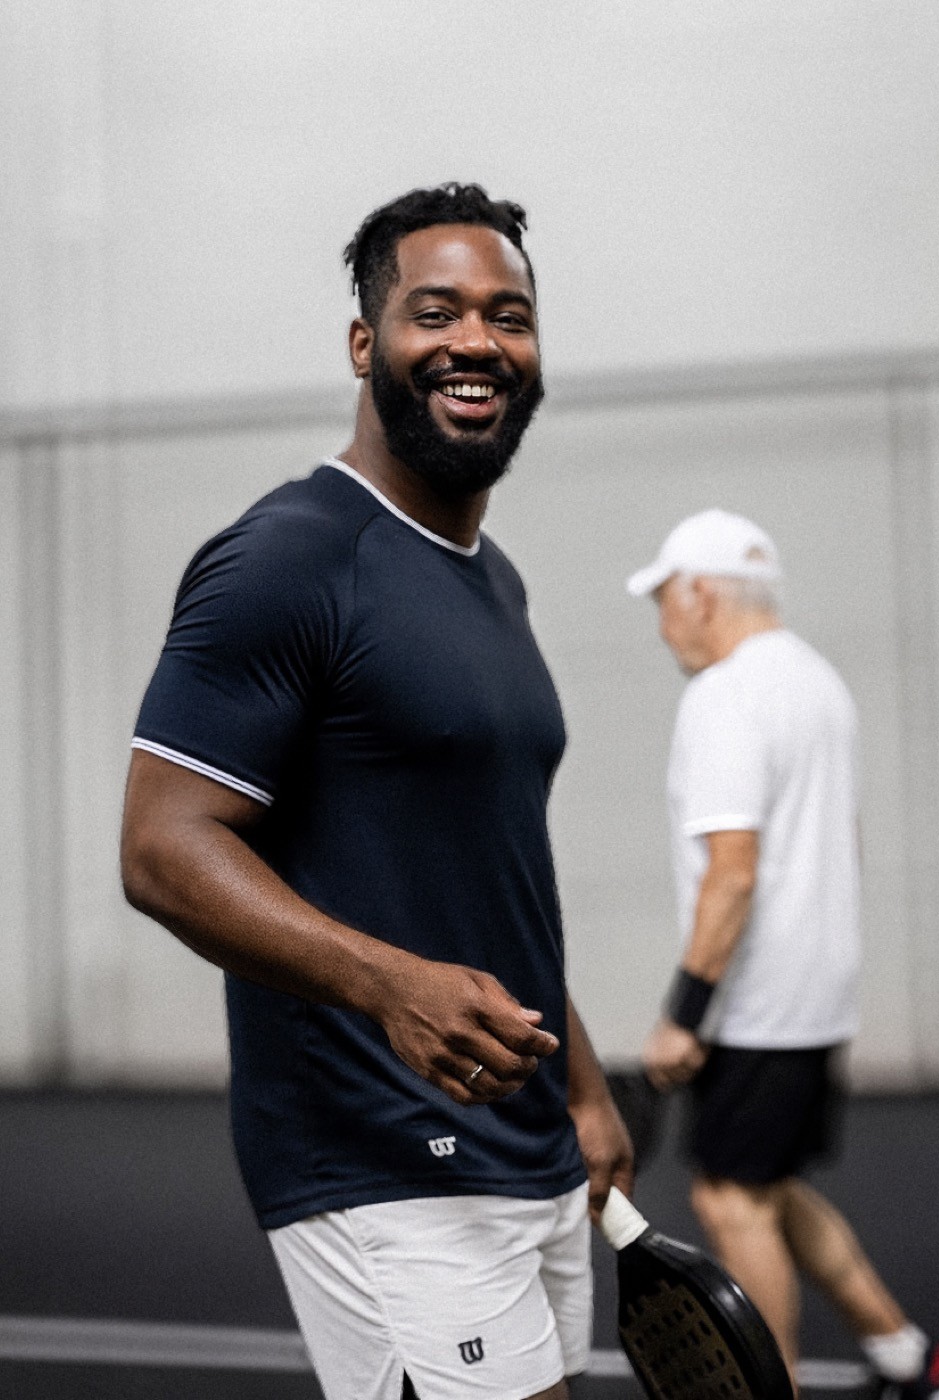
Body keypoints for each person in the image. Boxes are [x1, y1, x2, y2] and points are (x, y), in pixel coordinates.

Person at [120, 183, 632, 1400]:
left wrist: (583, 1080)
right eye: (435, 311)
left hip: (527, 1141)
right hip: (379, 1155)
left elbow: (484, 863)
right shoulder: (288, 556)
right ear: (367, 343)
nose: (476, 342)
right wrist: (389, 985)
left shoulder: (491, 580)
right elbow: (159, 847)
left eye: (509, 317)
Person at [628, 509, 939, 1400]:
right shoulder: (817, 682)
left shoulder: (724, 696)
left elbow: (731, 876)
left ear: (701, 594)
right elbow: (841, 843)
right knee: (768, 1186)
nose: (663, 620)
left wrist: (683, 1014)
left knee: (729, 1200)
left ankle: (769, 1391)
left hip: (756, 1003)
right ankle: (907, 1356)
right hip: (818, 991)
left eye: (665, 598)